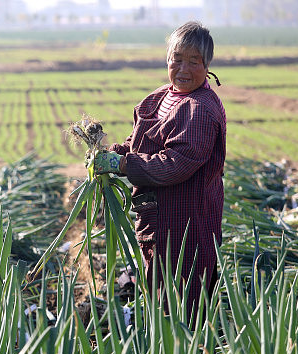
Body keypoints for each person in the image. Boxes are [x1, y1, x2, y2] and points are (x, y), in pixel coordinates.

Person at [89, 21, 226, 316]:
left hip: (187, 224)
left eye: (194, 61)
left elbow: (176, 164)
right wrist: (111, 154)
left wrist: (124, 165)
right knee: (158, 294)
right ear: (167, 60)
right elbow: (136, 142)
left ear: (207, 65)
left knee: (184, 303)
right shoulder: (159, 98)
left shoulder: (200, 109)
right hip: (157, 220)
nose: (184, 69)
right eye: (177, 60)